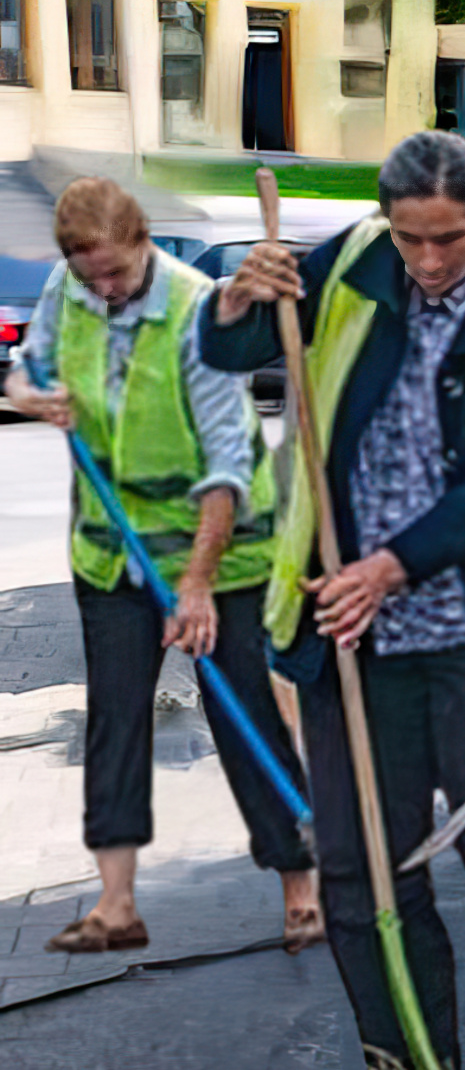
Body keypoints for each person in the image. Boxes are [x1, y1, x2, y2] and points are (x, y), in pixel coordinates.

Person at [203, 130, 465, 1070]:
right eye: (410, 236)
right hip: (355, 646)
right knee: (360, 874)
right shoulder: (349, 262)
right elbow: (229, 347)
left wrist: (386, 567)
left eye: (448, 239)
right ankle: (412, 1059)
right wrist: (239, 292)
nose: (426, 260)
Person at [2, 178, 321, 956]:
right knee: (116, 718)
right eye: (90, 276)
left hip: (220, 549)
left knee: (241, 712)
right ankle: (116, 905)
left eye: (114, 273)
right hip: (111, 551)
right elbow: (23, 373)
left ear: (143, 242)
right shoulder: (68, 288)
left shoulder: (197, 313)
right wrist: (35, 396)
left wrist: (197, 587)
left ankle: (302, 890)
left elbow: (225, 468)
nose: (103, 290)